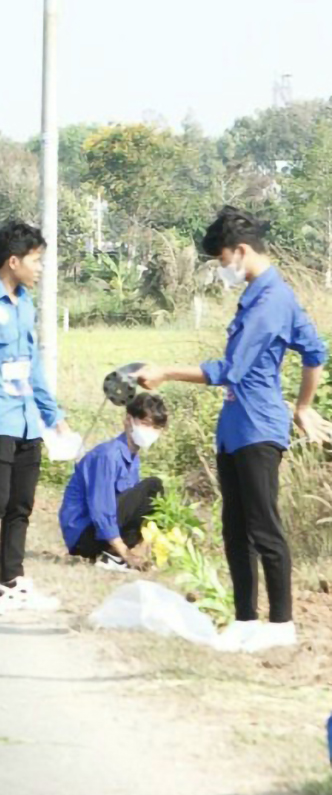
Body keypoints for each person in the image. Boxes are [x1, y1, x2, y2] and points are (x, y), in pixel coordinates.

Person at [135, 206, 329, 650]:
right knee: (235, 525)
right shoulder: (263, 295)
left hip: (259, 428)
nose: (223, 270)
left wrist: (166, 372)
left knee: (264, 526)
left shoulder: (270, 302)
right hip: (235, 427)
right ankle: (245, 619)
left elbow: (230, 369)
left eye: (222, 260)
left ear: (240, 252)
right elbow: (314, 352)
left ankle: (281, 625)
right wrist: (302, 405)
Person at [0, 220, 77, 617]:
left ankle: (12, 583)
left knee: (21, 504)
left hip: (26, 419)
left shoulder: (25, 304)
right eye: (35, 261)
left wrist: (52, 414)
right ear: (13, 260)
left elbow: (32, 365)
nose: (39, 269)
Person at [61, 394, 169, 570]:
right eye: (145, 424)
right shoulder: (107, 456)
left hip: (103, 530)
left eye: (156, 427)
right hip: (85, 533)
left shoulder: (133, 459)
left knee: (155, 500)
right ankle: (117, 554)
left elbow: (129, 510)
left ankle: (120, 554)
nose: (150, 431)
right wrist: (125, 553)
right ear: (128, 420)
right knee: (153, 487)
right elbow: (101, 510)